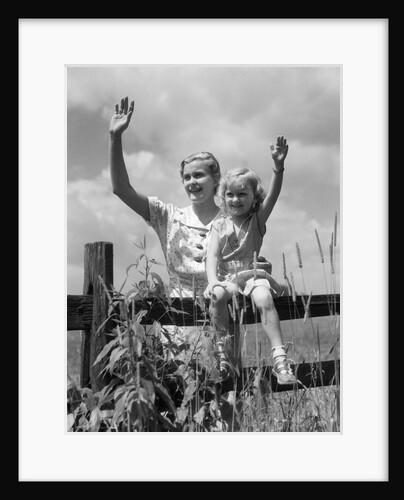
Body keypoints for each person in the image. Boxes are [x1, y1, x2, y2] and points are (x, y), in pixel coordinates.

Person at [109, 96, 222, 300]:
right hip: (177, 324)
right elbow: (121, 189)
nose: (191, 182)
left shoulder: (231, 221)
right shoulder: (168, 217)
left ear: (216, 179)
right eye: (186, 177)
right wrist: (115, 138)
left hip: (222, 321)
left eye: (198, 175)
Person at [204, 136, 297, 385]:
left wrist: (278, 167)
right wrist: (213, 281)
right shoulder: (218, 225)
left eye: (242, 194)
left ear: (254, 198)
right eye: (230, 194)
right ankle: (222, 354)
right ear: (223, 197)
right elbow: (212, 256)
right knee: (218, 296)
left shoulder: (257, 219)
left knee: (264, 298)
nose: (236, 199)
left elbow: (274, 194)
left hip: (254, 275)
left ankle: (280, 359)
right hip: (227, 277)